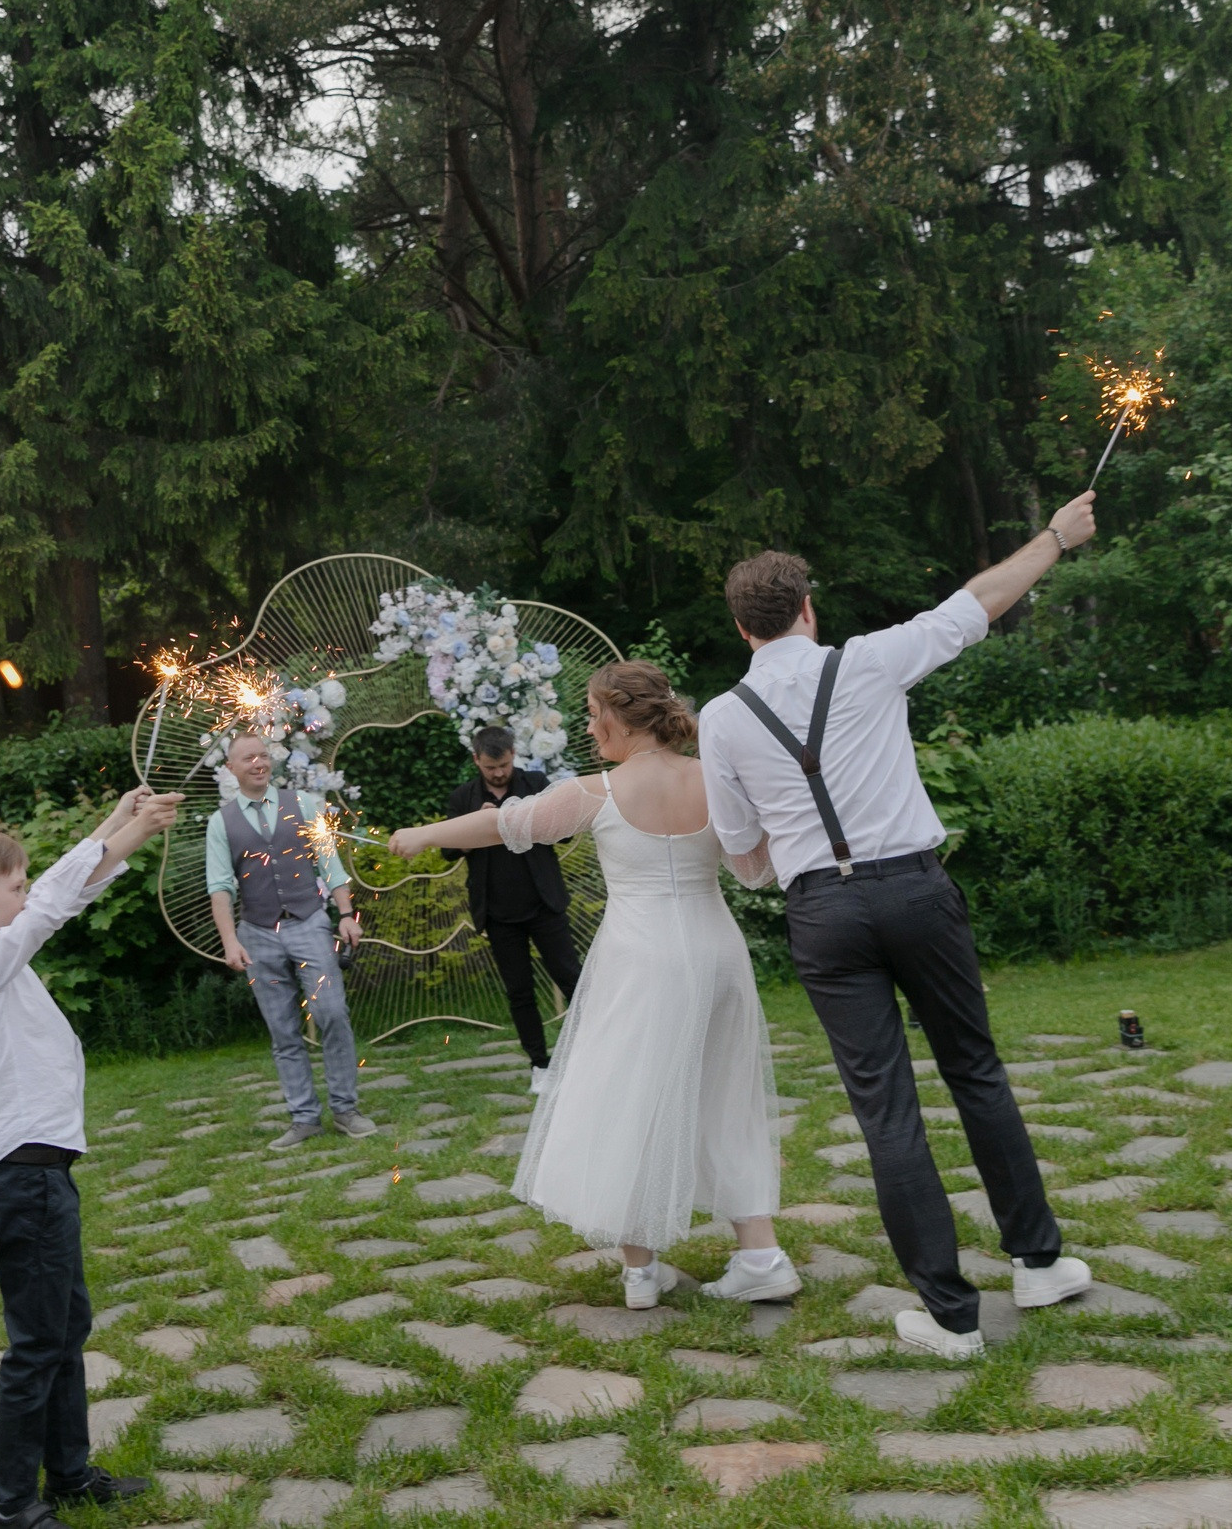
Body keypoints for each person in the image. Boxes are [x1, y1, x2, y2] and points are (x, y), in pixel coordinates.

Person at [697, 498, 1102, 1363]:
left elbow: (742, 853)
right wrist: (1056, 537)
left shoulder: (722, 718)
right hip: (916, 889)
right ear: (809, 608)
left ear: (742, 627)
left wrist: (784, 859)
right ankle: (1038, 1262)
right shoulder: (871, 661)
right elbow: (977, 603)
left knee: (887, 1110)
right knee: (975, 1071)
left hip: (822, 911)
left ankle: (951, 1318)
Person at [393, 664, 800, 1311]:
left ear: (619, 718)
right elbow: (754, 869)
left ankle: (641, 1271)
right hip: (717, 951)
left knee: (626, 1099)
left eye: (591, 713)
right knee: (729, 1093)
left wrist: (423, 834)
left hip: (640, 960)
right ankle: (761, 1255)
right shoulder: (713, 778)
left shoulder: (597, 791)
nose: (587, 727)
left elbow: (501, 827)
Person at [0, 788, 183, 1529]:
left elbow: (50, 896)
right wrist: (131, 835)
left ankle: (69, 1474)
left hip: (41, 1170)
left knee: (66, 1328)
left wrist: (113, 821)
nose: (26, 895)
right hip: (22, 1174)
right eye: (13, 886)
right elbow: (49, 908)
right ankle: (14, 1506)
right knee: (37, 1343)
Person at [203, 734, 374, 1151]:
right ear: (231, 768)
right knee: (282, 1031)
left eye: (263, 755)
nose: (258, 763)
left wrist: (346, 914)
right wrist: (230, 942)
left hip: (309, 922)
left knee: (332, 1013)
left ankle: (346, 1109)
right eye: (248, 758)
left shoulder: (303, 804)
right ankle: (304, 1118)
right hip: (257, 933)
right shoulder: (221, 822)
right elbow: (220, 887)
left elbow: (330, 862)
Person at [441, 725, 580, 1090]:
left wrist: (523, 816)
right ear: (476, 760)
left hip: (544, 903)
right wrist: (479, 825)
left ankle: (593, 1051)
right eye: (491, 767)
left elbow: (566, 831)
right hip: (497, 912)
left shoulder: (536, 784)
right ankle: (540, 1065)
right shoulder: (464, 797)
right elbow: (448, 850)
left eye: (503, 765)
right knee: (519, 991)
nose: (499, 773)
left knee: (573, 979)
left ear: (514, 755)